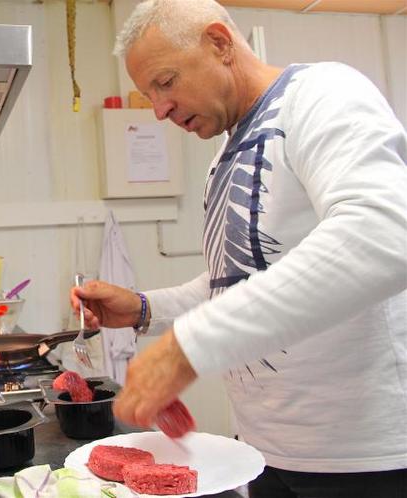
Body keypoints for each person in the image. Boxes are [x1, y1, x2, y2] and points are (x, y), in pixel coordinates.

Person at [70, 1, 407, 496]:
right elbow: (239, 279)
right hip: (263, 451)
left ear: (219, 43)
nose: (159, 109)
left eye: (165, 82)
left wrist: (192, 346)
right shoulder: (220, 161)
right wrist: (146, 309)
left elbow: (384, 231)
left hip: (366, 458)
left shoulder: (321, 94)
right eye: (148, 95)